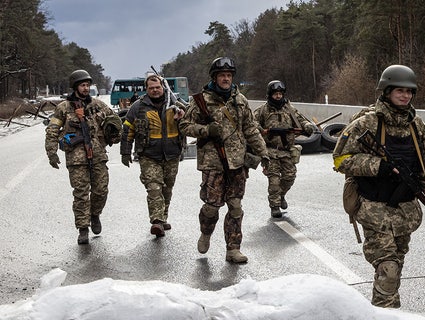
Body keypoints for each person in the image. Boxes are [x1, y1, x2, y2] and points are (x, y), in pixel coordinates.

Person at [332, 65, 425, 308]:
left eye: (409, 91)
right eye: (399, 91)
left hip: (405, 211)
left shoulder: (418, 127)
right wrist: (377, 166)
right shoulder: (367, 123)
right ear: (386, 91)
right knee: (389, 270)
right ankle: (387, 313)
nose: (405, 96)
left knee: (396, 266)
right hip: (375, 210)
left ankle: (384, 309)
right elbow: (340, 159)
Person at [179, 57, 268, 263]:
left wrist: (263, 152)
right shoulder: (202, 100)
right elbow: (184, 126)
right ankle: (206, 232)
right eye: (222, 75)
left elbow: (251, 128)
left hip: (237, 162)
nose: (226, 79)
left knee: (235, 206)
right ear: (215, 77)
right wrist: (206, 130)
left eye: (229, 75)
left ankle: (233, 249)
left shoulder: (240, 100)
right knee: (211, 207)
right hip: (213, 162)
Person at [45, 69, 122, 245]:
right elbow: (52, 130)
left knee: (101, 190)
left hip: (97, 154)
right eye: (83, 85)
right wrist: (51, 152)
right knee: (80, 194)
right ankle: (83, 228)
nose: (86, 88)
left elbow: (114, 120)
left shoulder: (97, 104)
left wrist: (114, 134)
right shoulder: (63, 108)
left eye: (88, 85)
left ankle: (95, 214)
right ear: (75, 87)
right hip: (76, 157)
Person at [120, 74, 186, 237]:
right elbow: (128, 129)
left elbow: (192, 118)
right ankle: (156, 221)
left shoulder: (175, 104)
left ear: (162, 87)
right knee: (154, 188)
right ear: (146, 89)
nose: (155, 90)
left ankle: (163, 218)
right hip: (148, 155)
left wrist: (183, 116)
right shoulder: (138, 107)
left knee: (167, 189)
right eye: (151, 88)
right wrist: (125, 151)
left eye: (157, 87)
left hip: (172, 154)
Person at [253, 80, 316, 218]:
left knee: (289, 177)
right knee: (274, 180)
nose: (278, 96)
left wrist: (308, 126)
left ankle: (281, 196)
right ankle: (274, 206)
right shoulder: (262, 110)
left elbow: (301, 120)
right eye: (275, 94)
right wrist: (262, 130)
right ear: (270, 94)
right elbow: (252, 123)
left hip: (286, 150)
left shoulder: (290, 109)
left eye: (280, 93)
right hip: (270, 151)